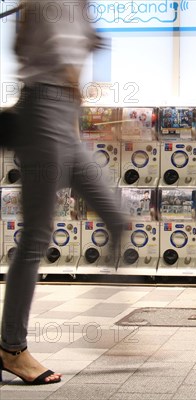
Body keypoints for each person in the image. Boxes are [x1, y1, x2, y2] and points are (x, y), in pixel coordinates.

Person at [1, 1, 127, 385]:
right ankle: (11, 348)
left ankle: (107, 325)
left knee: (118, 218)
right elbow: (49, 57)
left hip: (65, 117)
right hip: (43, 113)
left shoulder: (77, 5)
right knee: (37, 236)